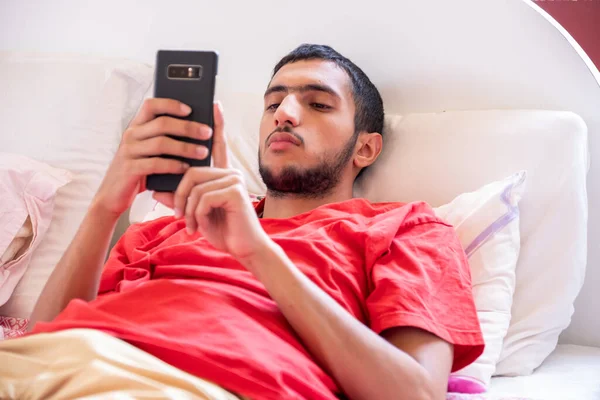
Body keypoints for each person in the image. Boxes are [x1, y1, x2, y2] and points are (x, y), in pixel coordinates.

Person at [0, 44, 484, 400]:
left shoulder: (405, 228)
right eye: (273, 103)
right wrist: (105, 206)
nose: (284, 115)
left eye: (317, 104)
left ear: (366, 147)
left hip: (194, 386)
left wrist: (258, 251)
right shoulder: (168, 225)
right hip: (46, 367)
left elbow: (415, 394)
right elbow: (46, 333)